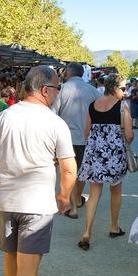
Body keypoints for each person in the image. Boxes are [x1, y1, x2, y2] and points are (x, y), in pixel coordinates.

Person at [0, 66, 77, 276]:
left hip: (6, 200)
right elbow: (69, 168)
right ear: (46, 90)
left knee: (11, 257)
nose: (59, 93)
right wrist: (63, 197)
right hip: (37, 204)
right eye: (58, 88)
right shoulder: (55, 123)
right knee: (29, 266)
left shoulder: (5, 117)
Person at [77, 74, 133, 250]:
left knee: (93, 194)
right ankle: (114, 226)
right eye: (123, 88)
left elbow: (87, 132)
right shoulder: (123, 107)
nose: (126, 91)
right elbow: (129, 135)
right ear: (114, 87)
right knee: (115, 190)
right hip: (115, 155)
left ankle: (87, 231)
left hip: (95, 154)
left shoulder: (93, 105)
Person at [52, 62, 100, 219]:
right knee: (82, 172)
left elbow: (53, 114)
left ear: (68, 73)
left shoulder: (62, 90)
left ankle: (72, 206)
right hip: (88, 138)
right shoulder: (94, 91)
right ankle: (77, 199)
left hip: (67, 138)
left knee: (68, 171)